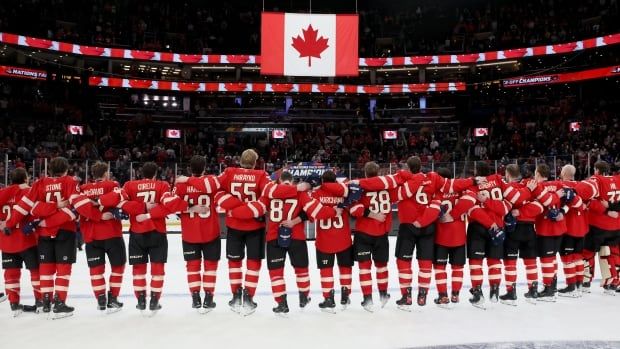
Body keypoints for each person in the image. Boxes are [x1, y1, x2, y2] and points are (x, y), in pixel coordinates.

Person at [177, 149, 298, 315]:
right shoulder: (261, 175)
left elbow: (209, 186)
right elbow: (273, 192)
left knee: (234, 262)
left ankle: (236, 295)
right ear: (255, 163)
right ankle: (248, 297)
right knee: (253, 263)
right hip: (255, 226)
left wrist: (188, 179)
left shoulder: (229, 172)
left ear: (240, 160)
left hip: (234, 225)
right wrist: (296, 189)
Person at [228, 171, 339, 315]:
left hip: (274, 237)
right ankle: (304, 296)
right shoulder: (300, 193)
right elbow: (317, 211)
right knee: (302, 270)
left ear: (280, 181)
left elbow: (255, 209)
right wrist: (334, 212)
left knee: (276, 273)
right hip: (297, 237)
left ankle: (281, 303)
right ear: (292, 181)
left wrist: (233, 212)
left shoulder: (270, 194)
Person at [100, 161, 185, 315]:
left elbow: (118, 202)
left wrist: (137, 207)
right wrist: (148, 209)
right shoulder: (162, 185)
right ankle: (154, 301)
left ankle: (140, 300)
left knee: (138, 269)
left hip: (137, 232)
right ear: (155, 174)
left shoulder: (129, 185)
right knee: (157, 269)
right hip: (158, 231)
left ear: (140, 173)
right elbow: (168, 206)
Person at [5, 157, 80, 319]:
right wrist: (57, 210)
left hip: (44, 233)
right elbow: (75, 207)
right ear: (66, 170)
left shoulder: (39, 183)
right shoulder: (70, 181)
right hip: (65, 230)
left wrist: (9, 224)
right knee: (63, 269)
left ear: (49, 170)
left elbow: (26, 207)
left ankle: (46, 302)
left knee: (45, 268)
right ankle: (59, 303)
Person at [173, 155, 222, 313]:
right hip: (211, 232)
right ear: (205, 167)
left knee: (192, 267)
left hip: (189, 233)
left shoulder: (180, 185)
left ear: (189, 168)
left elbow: (171, 205)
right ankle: (208, 298)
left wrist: (189, 207)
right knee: (210, 266)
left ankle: (195, 298)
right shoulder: (212, 182)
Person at [77, 162, 126, 312]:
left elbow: (80, 208)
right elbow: (117, 199)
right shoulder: (112, 184)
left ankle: (101, 299)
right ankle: (113, 299)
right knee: (118, 267)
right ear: (105, 173)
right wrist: (102, 213)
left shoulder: (83, 189)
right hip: (112, 234)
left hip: (91, 236)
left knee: (96, 270)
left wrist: (96, 214)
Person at [429, 168, 476, 307]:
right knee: (457, 268)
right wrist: (455, 214)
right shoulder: (462, 191)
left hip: (441, 237)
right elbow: (471, 198)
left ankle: (443, 296)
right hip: (459, 236)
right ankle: (455, 295)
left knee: (439, 268)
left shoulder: (436, 192)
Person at [0, 168, 41, 316]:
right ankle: (40, 302)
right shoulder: (29, 192)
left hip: (7, 240)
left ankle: (14, 304)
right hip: (27, 239)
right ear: (26, 179)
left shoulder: (3, 192)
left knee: (11, 274)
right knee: (36, 272)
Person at [574, 161, 620, 294]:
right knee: (612, 253)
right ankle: (612, 283)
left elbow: (586, 197)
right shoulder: (618, 179)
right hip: (616, 226)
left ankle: (586, 281)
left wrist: (605, 209)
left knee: (588, 252)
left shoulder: (596, 180)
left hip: (597, 225)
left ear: (596, 170)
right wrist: (613, 208)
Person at [311, 171, 354, 312]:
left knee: (326, 270)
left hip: (324, 240)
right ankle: (345, 295)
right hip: (344, 239)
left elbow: (312, 214)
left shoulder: (317, 193)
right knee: (345, 268)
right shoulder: (344, 192)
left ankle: (328, 298)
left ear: (323, 180)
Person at [500, 164, 541, 305]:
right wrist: (525, 211)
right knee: (531, 262)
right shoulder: (530, 186)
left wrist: (519, 212)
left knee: (510, 262)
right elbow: (540, 206)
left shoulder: (506, 187)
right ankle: (533, 290)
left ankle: (511, 292)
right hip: (529, 229)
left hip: (513, 230)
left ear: (507, 173)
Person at [557, 164, 588, 297]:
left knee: (567, 258)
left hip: (568, 228)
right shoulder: (582, 186)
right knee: (578, 257)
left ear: (563, 173)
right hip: (582, 228)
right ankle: (579, 286)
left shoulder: (561, 185)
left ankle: (571, 287)